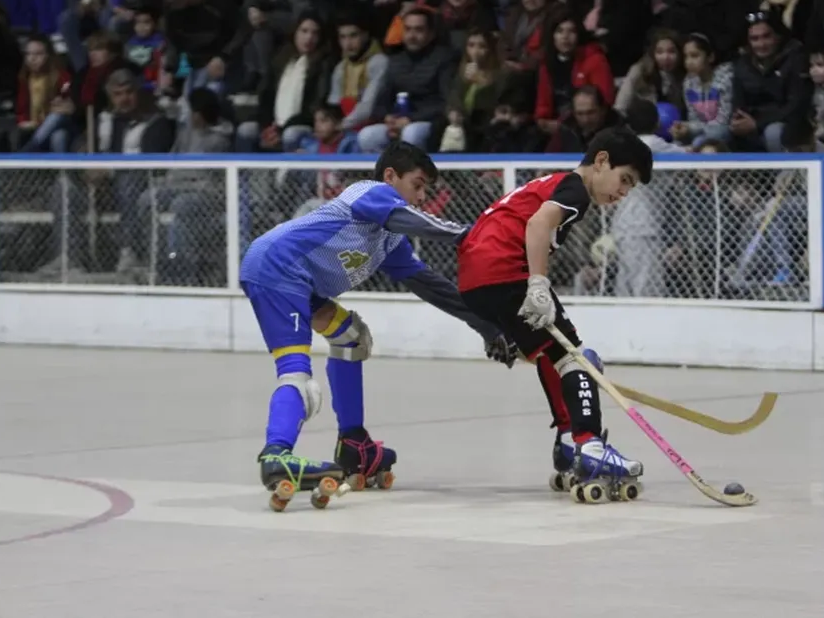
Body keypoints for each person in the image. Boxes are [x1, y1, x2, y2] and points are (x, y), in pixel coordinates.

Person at [239, 142, 517, 506]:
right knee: (297, 376)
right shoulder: (368, 193)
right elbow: (406, 218)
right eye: (417, 185)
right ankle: (277, 454)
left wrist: (487, 327)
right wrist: (468, 234)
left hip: (301, 281)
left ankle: (353, 443)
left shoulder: (390, 241)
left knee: (353, 338)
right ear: (390, 177)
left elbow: (431, 286)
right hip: (278, 269)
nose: (420, 197)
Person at [456, 126, 653, 498]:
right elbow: (537, 224)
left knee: (551, 353)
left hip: (474, 281)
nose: (623, 192)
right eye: (624, 180)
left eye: (630, 188)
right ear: (601, 161)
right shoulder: (575, 188)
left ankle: (568, 443)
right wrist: (537, 284)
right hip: (505, 272)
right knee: (578, 357)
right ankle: (591, 448)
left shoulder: (549, 183)